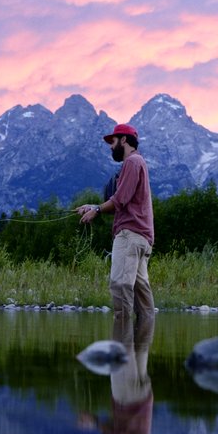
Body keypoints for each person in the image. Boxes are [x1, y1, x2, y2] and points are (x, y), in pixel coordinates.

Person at [77, 123, 155, 324]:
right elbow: (124, 201)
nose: (110, 147)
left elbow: (120, 199)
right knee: (141, 294)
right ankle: (142, 346)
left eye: (112, 142)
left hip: (129, 235)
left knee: (120, 284)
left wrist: (96, 210)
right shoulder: (140, 163)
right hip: (142, 237)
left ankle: (122, 339)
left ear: (123, 140)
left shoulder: (132, 162)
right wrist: (94, 205)